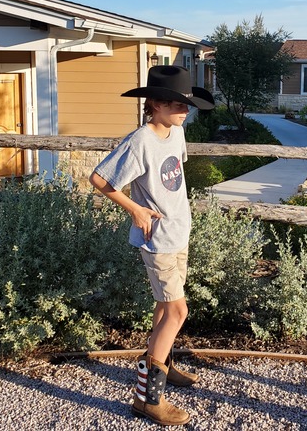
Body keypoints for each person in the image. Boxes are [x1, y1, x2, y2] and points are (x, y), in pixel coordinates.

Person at [89, 65, 214, 427]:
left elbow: (172, 179)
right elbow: (99, 178)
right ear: (155, 105)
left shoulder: (176, 134)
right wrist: (135, 209)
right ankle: (147, 399)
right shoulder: (139, 141)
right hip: (157, 240)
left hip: (179, 233)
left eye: (187, 104)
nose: (185, 110)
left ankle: (164, 364)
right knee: (178, 312)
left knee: (164, 306)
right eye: (178, 104)